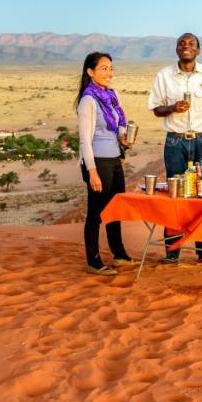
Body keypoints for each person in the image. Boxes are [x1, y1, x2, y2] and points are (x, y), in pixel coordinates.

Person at [146, 32, 202, 264]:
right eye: (182, 43)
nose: (186, 46)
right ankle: (172, 252)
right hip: (175, 142)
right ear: (176, 50)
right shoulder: (164, 75)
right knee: (176, 197)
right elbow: (155, 109)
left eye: (191, 44)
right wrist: (172, 107)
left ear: (198, 50)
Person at [76, 52, 135, 275]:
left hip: (114, 159)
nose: (109, 73)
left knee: (115, 208)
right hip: (97, 162)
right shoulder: (88, 101)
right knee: (96, 212)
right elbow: (84, 140)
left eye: (111, 68)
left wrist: (123, 136)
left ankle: (118, 254)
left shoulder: (112, 95)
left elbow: (119, 123)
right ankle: (93, 260)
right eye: (103, 68)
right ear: (90, 72)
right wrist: (92, 172)